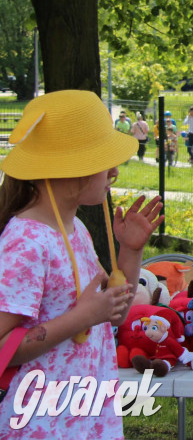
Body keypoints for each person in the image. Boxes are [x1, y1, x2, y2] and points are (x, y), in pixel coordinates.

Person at [0, 90, 163, 437]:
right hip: (40, 426)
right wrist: (83, 316)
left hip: (87, 419)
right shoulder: (26, 243)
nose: (115, 172)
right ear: (70, 167)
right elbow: (2, 349)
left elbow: (115, 314)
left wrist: (130, 251)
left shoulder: (76, 230)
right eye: (105, 162)